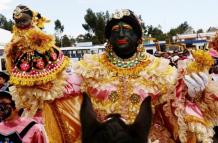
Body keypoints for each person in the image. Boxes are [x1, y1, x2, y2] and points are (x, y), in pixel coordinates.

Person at [5, 7, 218, 143]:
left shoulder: (161, 70)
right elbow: (58, 92)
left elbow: (170, 113)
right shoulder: (89, 68)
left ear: (138, 37)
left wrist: (191, 95)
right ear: (108, 38)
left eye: (127, 29)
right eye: (114, 30)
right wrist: (30, 39)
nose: (121, 33)